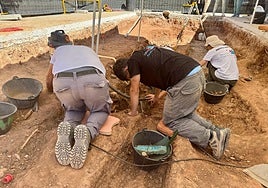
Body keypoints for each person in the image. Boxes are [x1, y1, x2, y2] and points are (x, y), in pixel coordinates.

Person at [113, 45, 230, 160]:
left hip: (184, 81)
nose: (132, 79)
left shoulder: (133, 62)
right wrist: (156, 97)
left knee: (171, 122)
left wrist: (133, 112)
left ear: (126, 69)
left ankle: (211, 137)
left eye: (128, 77)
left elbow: (134, 90)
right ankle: (216, 131)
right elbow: (157, 79)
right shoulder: (143, 56)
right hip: (196, 73)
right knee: (186, 114)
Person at [46, 30, 112, 169]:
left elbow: (49, 79)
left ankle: (69, 126)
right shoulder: (85, 49)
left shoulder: (56, 54)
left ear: (53, 45)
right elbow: (102, 72)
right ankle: (87, 132)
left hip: (63, 82)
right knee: (100, 110)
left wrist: (54, 93)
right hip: (92, 78)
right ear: (68, 39)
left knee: (73, 108)